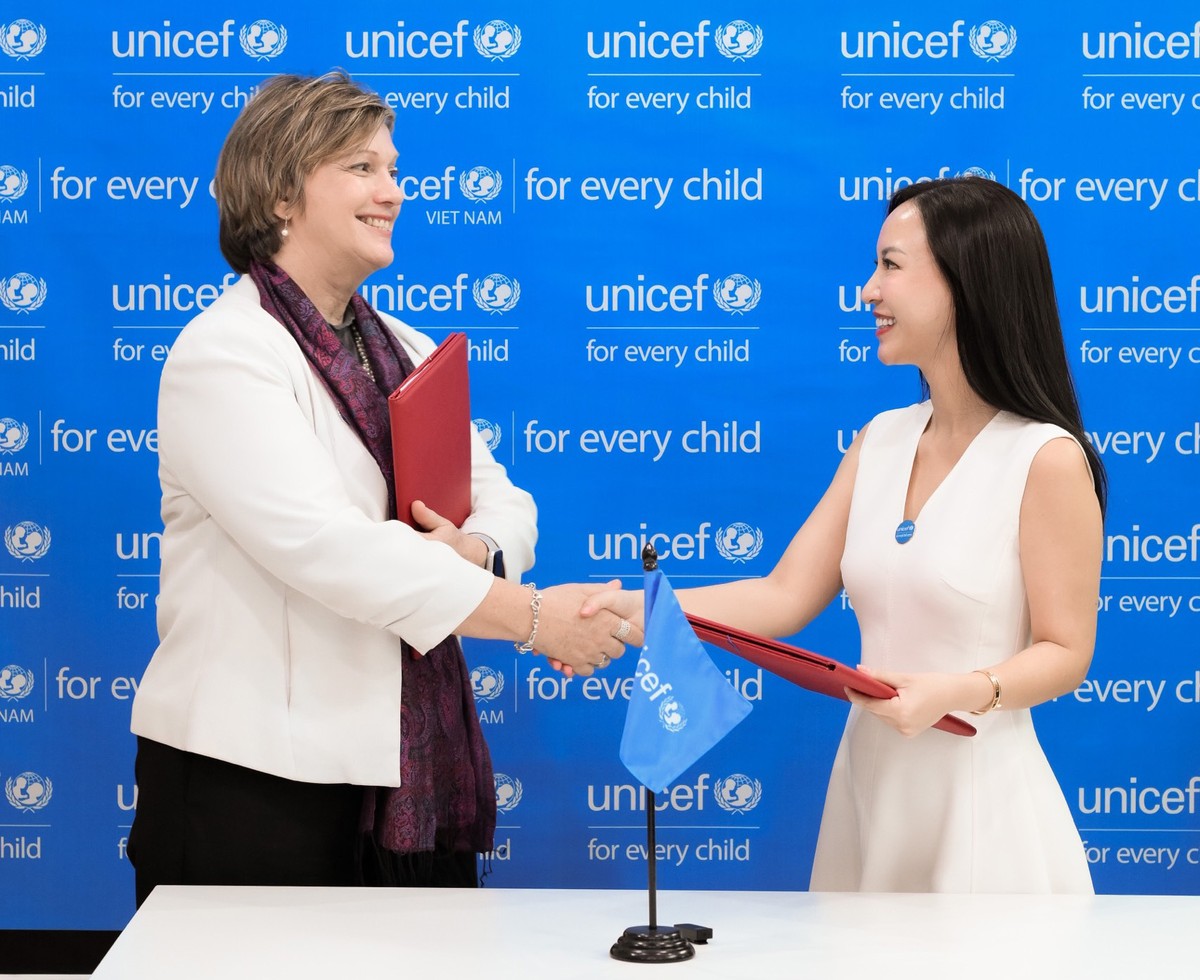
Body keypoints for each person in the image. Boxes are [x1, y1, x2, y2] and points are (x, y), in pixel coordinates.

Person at [127, 71, 638, 905]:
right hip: (254, 786)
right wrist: (532, 618)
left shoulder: (403, 345)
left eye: (394, 170)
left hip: (393, 776)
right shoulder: (225, 353)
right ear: (281, 193)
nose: (393, 192)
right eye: (362, 168)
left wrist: (475, 549)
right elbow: (329, 550)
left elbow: (505, 501)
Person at [585, 176, 1105, 894]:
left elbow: (1066, 652)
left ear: (966, 283)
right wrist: (642, 610)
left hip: (981, 812)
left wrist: (959, 690)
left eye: (891, 265)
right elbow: (783, 594)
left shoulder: (1045, 458)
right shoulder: (880, 440)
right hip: (868, 788)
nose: (868, 291)